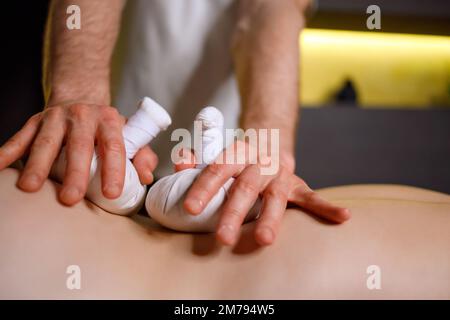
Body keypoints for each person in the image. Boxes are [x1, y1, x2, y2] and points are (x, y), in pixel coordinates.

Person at [0, 0, 349, 246]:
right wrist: (78, 93)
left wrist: (269, 144)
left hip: (227, 161)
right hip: (106, 131)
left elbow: (270, 8)